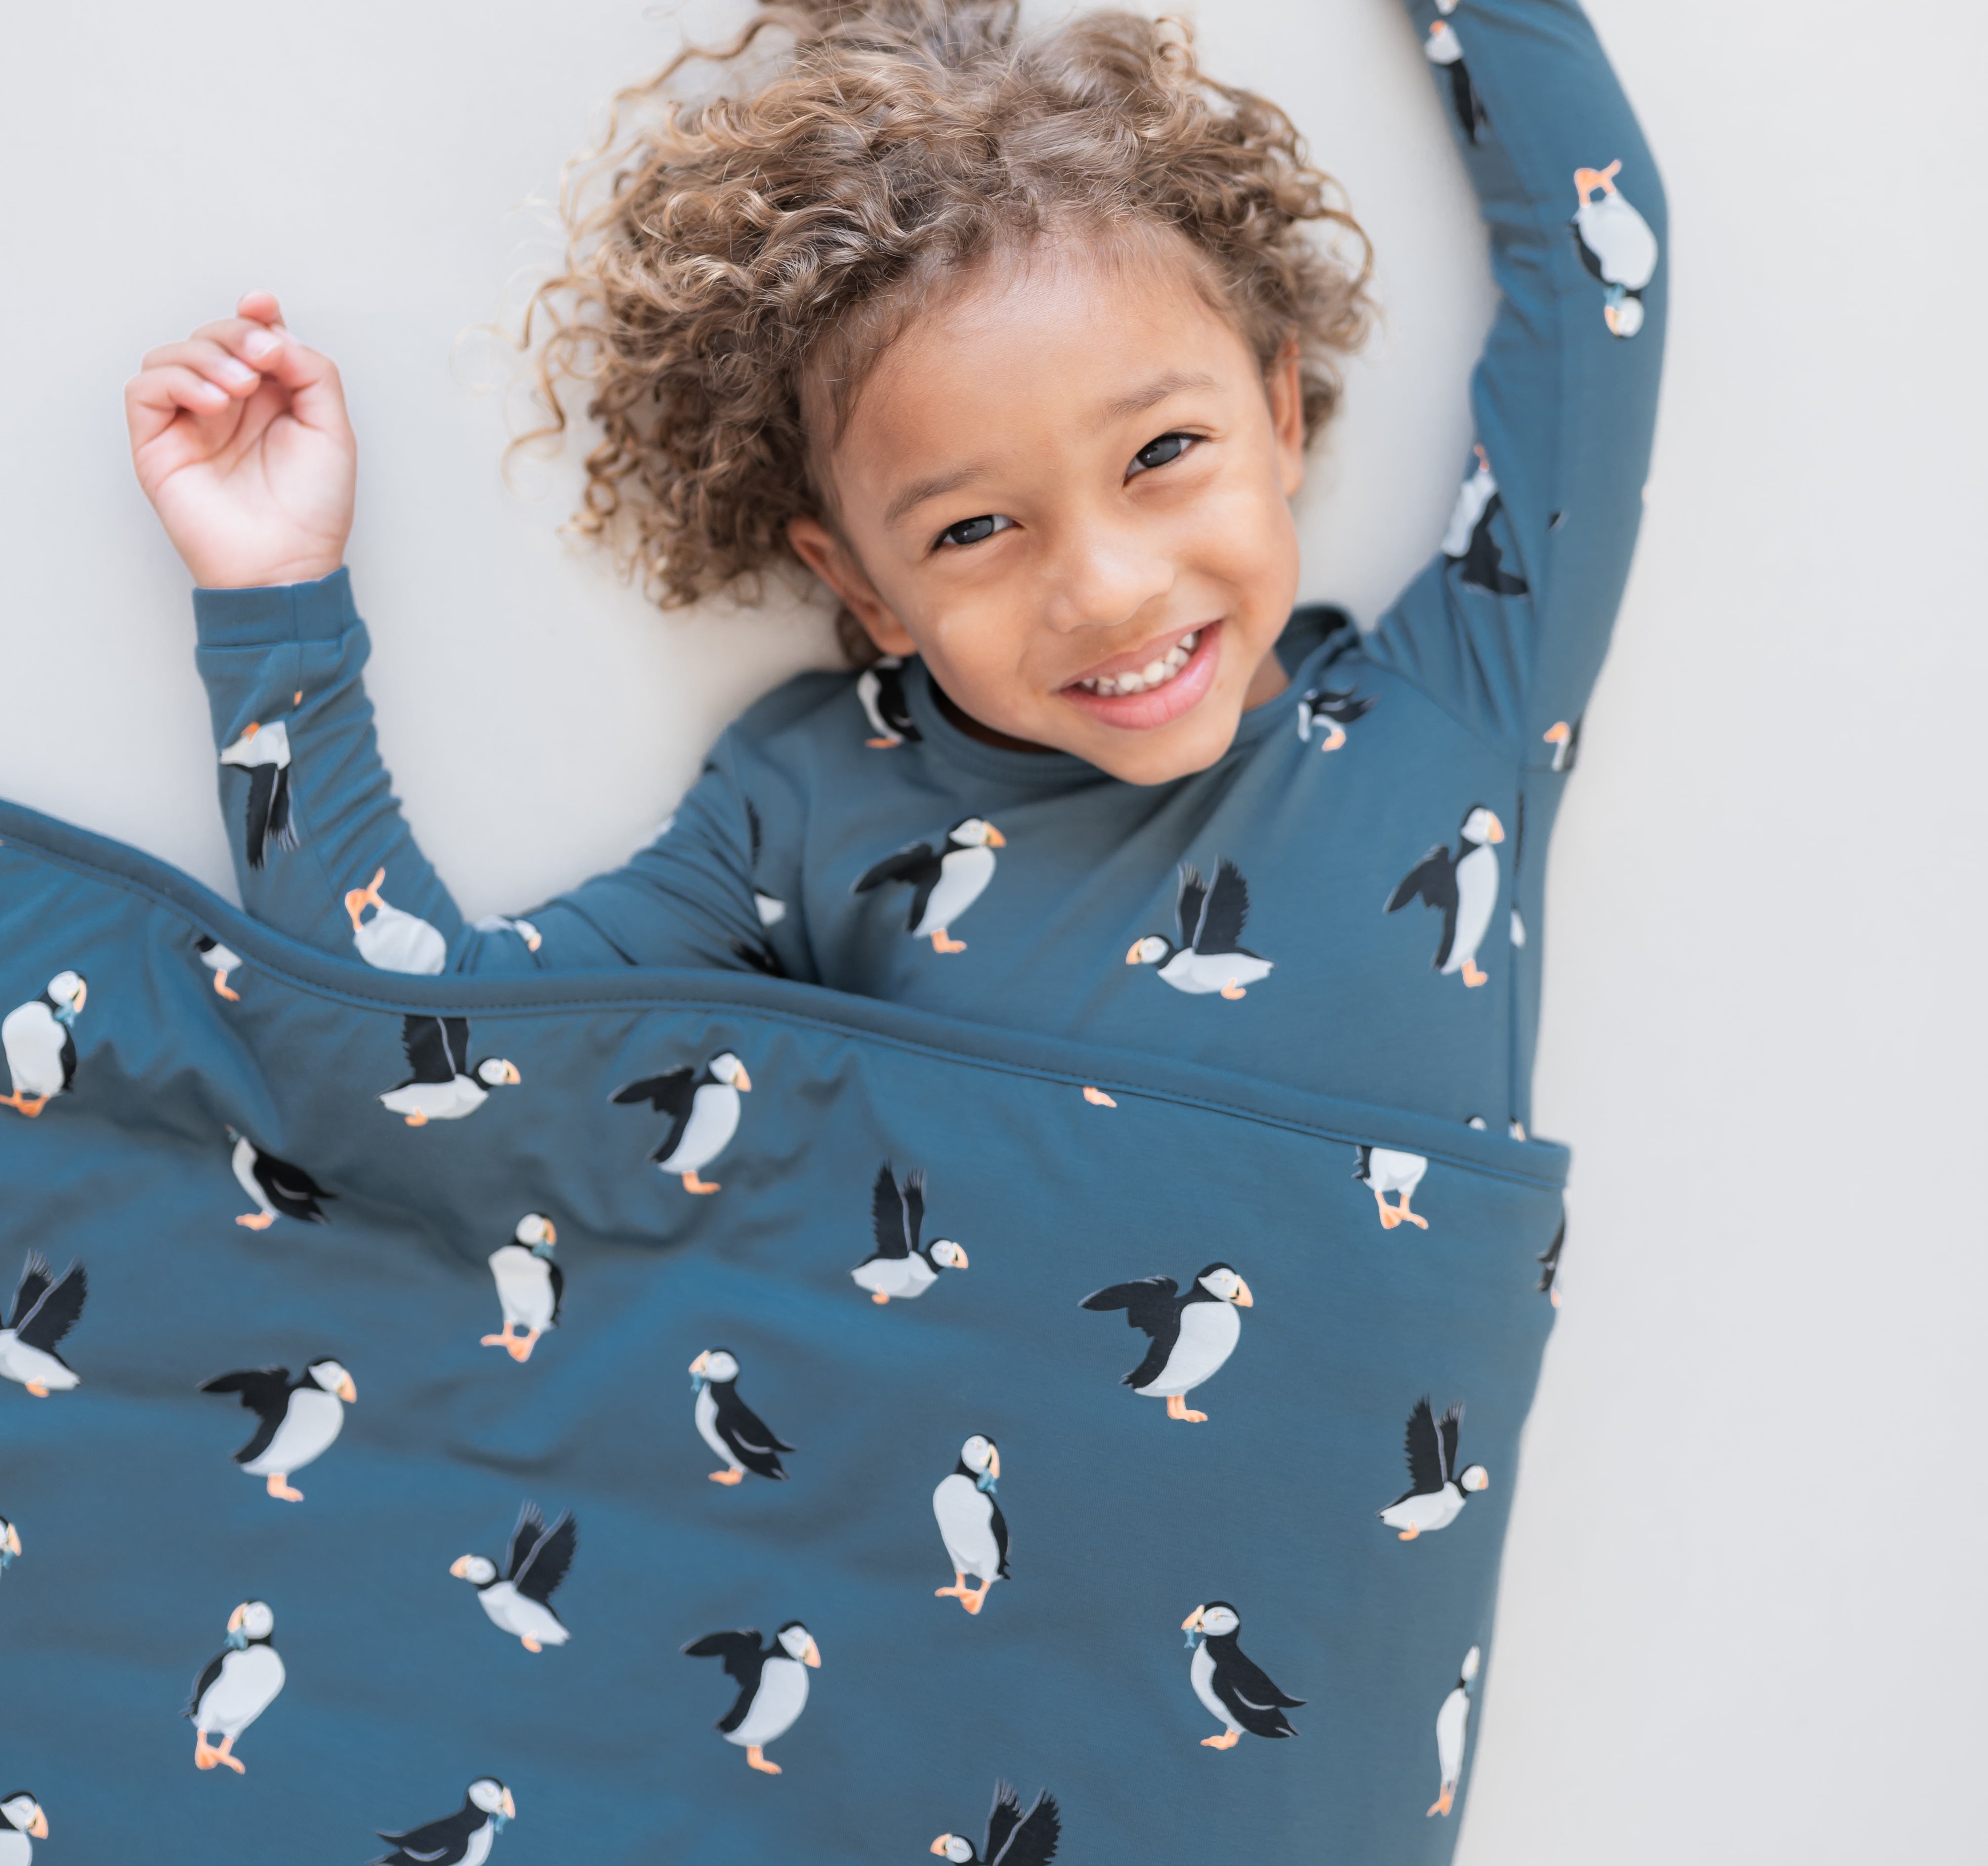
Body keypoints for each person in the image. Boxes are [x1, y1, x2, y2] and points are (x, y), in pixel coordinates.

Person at [127, 0, 1660, 1150]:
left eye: (1161, 452)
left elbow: (1601, 266)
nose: (1110, 588)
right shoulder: (809, 812)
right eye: (973, 531)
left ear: (1277, 408)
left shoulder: (1467, 697)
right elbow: (404, 1062)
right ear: (856, 583)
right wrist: (275, 606)